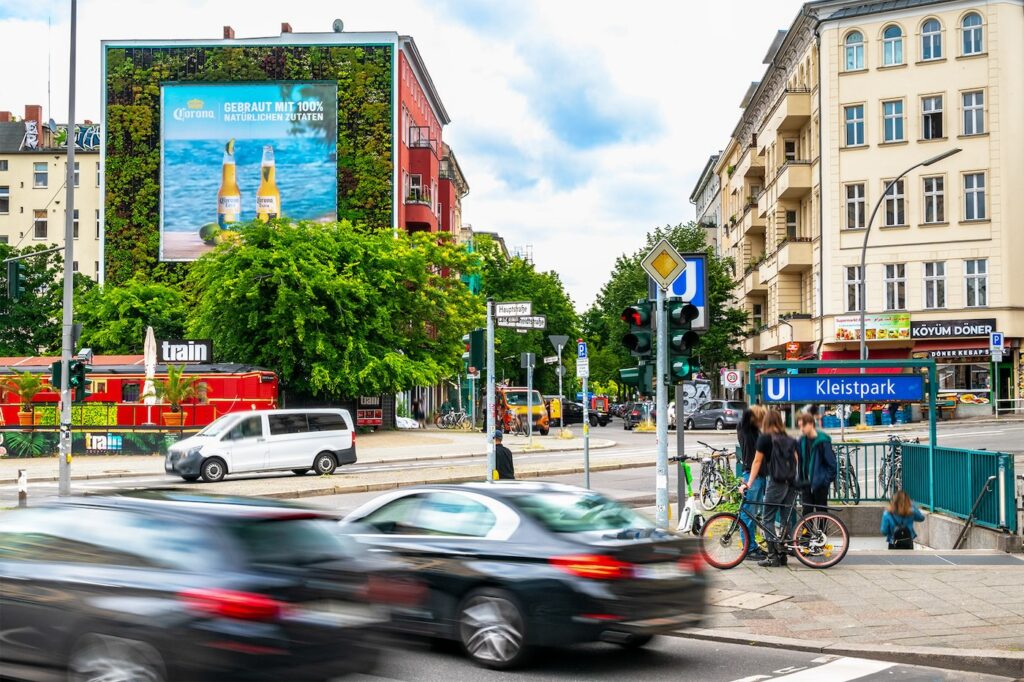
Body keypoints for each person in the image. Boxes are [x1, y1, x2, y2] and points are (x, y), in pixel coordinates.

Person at [741, 409, 799, 568]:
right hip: (792, 482)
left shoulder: (764, 439)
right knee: (786, 516)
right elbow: (796, 460)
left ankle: (773, 556)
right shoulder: (789, 438)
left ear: (766, 422)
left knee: (768, 518)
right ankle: (783, 555)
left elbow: (757, 462)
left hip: (777, 481)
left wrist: (748, 483)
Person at [736, 405, 767, 560]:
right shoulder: (745, 429)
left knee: (752, 514)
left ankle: (752, 545)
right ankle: (748, 549)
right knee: (748, 513)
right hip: (752, 476)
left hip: (758, 476)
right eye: (760, 419)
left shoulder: (754, 431)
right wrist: (755, 411)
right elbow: (745, 417)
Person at [796, 412, 837, 515]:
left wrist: (825, 480)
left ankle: (822, 531)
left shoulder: (822, 440)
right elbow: (800, 462)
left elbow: (832, 464)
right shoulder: (801, 441)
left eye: (803, 426)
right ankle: (807, 532)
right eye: (799, 426)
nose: (801, 429)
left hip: (820, 483)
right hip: (806, 483)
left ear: (810, 424)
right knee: (806, 512)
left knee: (821, 512)